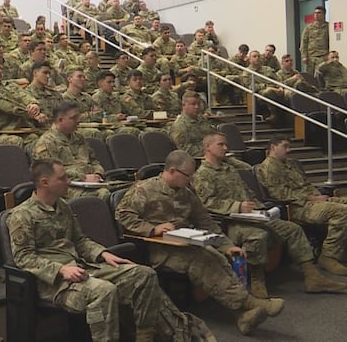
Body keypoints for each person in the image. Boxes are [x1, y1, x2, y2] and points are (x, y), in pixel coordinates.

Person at [8, 158, 213, 342]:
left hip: (82, 267)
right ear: (45, 182)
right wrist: (61, 270)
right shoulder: (22, 215)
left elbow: (80, 241)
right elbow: (24, 257)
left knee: (144, 274)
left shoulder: (63, 207)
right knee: (104, 291)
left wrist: (103, 254)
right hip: (54, 283)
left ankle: (144, 336)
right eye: (62, 178)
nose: (68, 181)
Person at [115, 150, 285, 335]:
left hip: (185, 243)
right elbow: (123, 214)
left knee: (218, 256)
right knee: (202, 261)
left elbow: (205, 221)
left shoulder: (186, 192)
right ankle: (250, 302)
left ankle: (243, 315)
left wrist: (227, 245)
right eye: (188, 175)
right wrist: (152, 228)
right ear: (172, 171)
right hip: (159, 249)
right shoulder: (145, 189)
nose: (192, 179)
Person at [194, 133, 347, 297]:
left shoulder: (229, 169)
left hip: (252, 216)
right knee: (258, 236)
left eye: (226, 144)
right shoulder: (203, 174)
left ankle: (313, 277)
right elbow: (207, 202)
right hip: (231, 221)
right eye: (221, 144)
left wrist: (260, 209)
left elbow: (248, 193)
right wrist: (238, 206)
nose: (226, 148)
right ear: (207, 147)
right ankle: (257, 280)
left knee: (293, 229)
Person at [256, 136, 347, 276]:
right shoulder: (268, 167)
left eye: (289, 147)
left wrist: (321, 198)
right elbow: (280, 195)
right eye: (285, 146)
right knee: (342, 212)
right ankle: (328, 256)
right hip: (297, 207)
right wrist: (313, 198)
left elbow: (305, 185)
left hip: (314, 201)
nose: (289, 150)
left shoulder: (290, 164)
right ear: (273, 147)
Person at [32, 102, 110, 199]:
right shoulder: (46, 142)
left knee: (122, 188)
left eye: (78, 117)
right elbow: (50, 174)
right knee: (103, 194)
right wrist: (83, 177)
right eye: (74, 118)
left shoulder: (79, 138)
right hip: (66, 187)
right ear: (60, 120)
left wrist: (97, 173)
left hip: (91, 182)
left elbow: (93, 161)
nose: (78, 121)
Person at [169, 91, 250, 170]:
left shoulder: (202, 120)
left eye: (198, 104)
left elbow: (214, 136)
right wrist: (210, 149)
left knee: (247, 168)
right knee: (241, 170)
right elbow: (186, 151)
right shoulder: (179, 126)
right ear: (183, 105)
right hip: (200, 162)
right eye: (193, 104)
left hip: (217, 156)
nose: (197, 107)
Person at [300, 6, 329, 73]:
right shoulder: (309, 27)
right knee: (310, 76)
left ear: (324, 14)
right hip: (311, 57)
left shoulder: (328, 27)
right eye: (315, 13)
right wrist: (304, 56)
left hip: (323, 56)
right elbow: (304, 42)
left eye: (319, 13)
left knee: (321, 75)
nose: (316, 15)